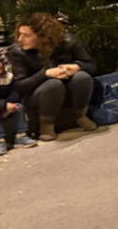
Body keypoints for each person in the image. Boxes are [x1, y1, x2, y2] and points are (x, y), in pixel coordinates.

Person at [8, 13, 98, 141]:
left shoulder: (68, 42)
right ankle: (46, 125)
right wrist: (45, 74)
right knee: (53, 84)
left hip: (67, 88)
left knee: (82, 77)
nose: (20, 39)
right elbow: (20, 86)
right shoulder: (17, 52)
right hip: (38, 94)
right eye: (19, 34)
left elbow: (91, 65)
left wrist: (76, 67)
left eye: (26, 35)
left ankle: (80, 116)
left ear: (43, 37)